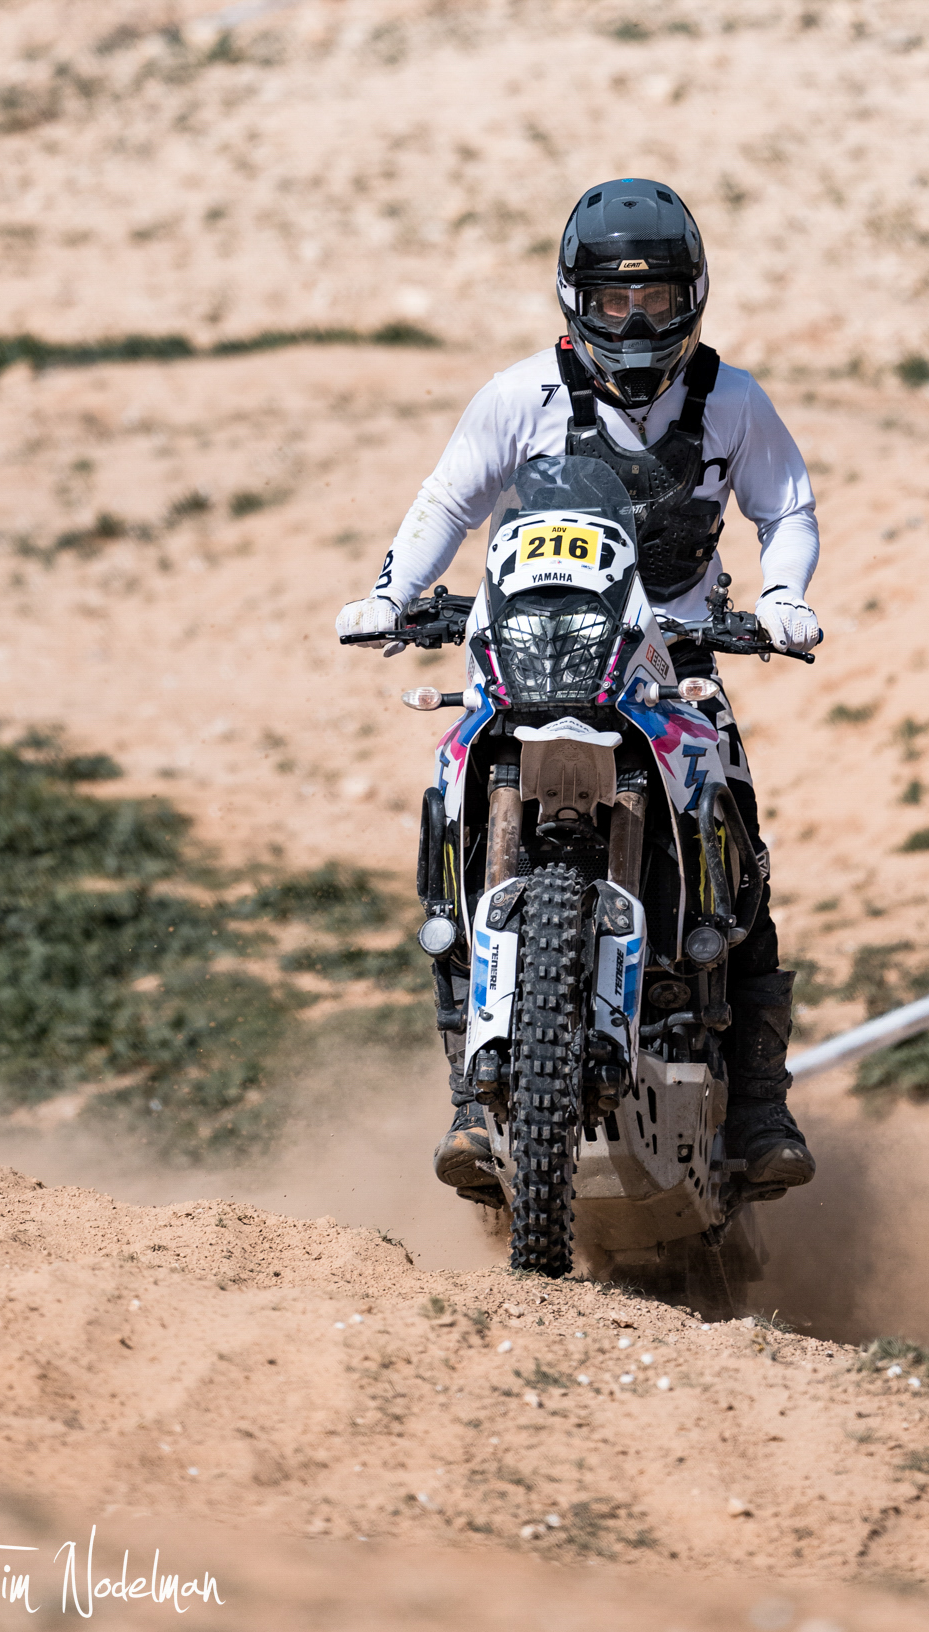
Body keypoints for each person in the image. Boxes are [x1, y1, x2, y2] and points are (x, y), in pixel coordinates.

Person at [337, 177, 821, 1203]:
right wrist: (392, 595)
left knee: (738, 832)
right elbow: (447, 501)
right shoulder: (518, 396)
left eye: (655, 300)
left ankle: (760, 1103)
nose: (635, 323)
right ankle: (470, 1097)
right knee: (456, 788)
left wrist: (780, 598)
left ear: (693, 298)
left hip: (675, 653)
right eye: (613, 301)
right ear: (574, 300)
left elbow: (787, 510)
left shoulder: (732, 401)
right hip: (531, 641)